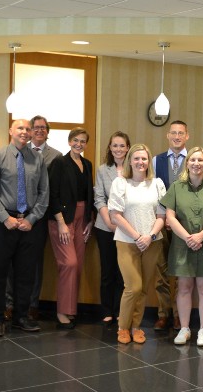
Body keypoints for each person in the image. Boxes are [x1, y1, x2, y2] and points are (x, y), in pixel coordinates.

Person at [0, 119, 50, 337]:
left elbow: (44, 193)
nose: (25, 131)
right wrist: (5, 218)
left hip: (30, 225)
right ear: (10, 131)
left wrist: (31, 218)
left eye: (28, 129)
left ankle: (21, 317)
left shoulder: (37, 159)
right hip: (3, 224)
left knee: (26, 274)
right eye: (20, 128)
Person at [162, 147, 203, 347]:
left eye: (200, 160)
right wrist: (187, 237)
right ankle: (184, 329)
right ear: (187, 163)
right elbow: (170, 216)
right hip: (182, 245)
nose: (196, 163)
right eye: (193, 160)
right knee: (184, 287)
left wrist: (200, 236)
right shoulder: (176, 187)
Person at [5, 115, 63, 322]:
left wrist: (33, 216)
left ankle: (32, 305)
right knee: (11, 263)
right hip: (13, 216)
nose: (38, 131)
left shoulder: (56, 156)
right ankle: (10, 304)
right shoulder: (15, 152)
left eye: (42, 128)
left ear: (48, 131)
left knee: (34, 264)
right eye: (34, 127)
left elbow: (49, 190)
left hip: (39, 217)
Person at [108, 144, 166, 344]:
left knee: (143, 289)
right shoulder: (120, 183)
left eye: (144, 159)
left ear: (149, 161)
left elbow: (161, 215)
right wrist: (137, 237)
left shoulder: (157, 184)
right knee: (133, 286)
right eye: (137, 158)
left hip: (152, 242)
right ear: (130, 161)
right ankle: (123, 327)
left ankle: (136, 326)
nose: (140, 162)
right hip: (127, 241)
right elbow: (115, 215)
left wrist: (149, 236)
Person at [47, 128, 95, 329]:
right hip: (62, 219)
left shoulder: (87, 164)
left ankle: (70, 309)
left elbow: (89, 195)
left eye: (83, 141)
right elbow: (52, 194)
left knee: (79, 265)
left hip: (82, 217)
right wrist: (60, 223)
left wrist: (90, 220)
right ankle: (61, 311)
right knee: (69, 264)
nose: (79, 144)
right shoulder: (59, 162)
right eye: (75, 140)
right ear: (69, 141)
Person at [152, 120, 188, 331]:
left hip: (185, 225)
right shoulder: (156, 161)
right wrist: (163, 217)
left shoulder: (193, 160)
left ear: (187, 136)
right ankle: (163, 313)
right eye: (173, 133)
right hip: (162, 223)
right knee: (161, 269)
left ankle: (178, 314)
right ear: (167, 135)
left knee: (182, 270)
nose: (176, 136)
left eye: (180, 133)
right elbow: (154, 192)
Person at [94, 131, 130, 327]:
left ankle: (120, 311)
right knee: (108, 270)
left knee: (123, 271)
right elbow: (99, 197)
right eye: (114, 145)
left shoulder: (134, 168)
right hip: (105, 227)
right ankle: (107, 310)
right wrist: (109, 221)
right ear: (109, 148)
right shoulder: (102, 170)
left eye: (122, 146)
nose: (118, 149)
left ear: (127, 148)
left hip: (127, 228)